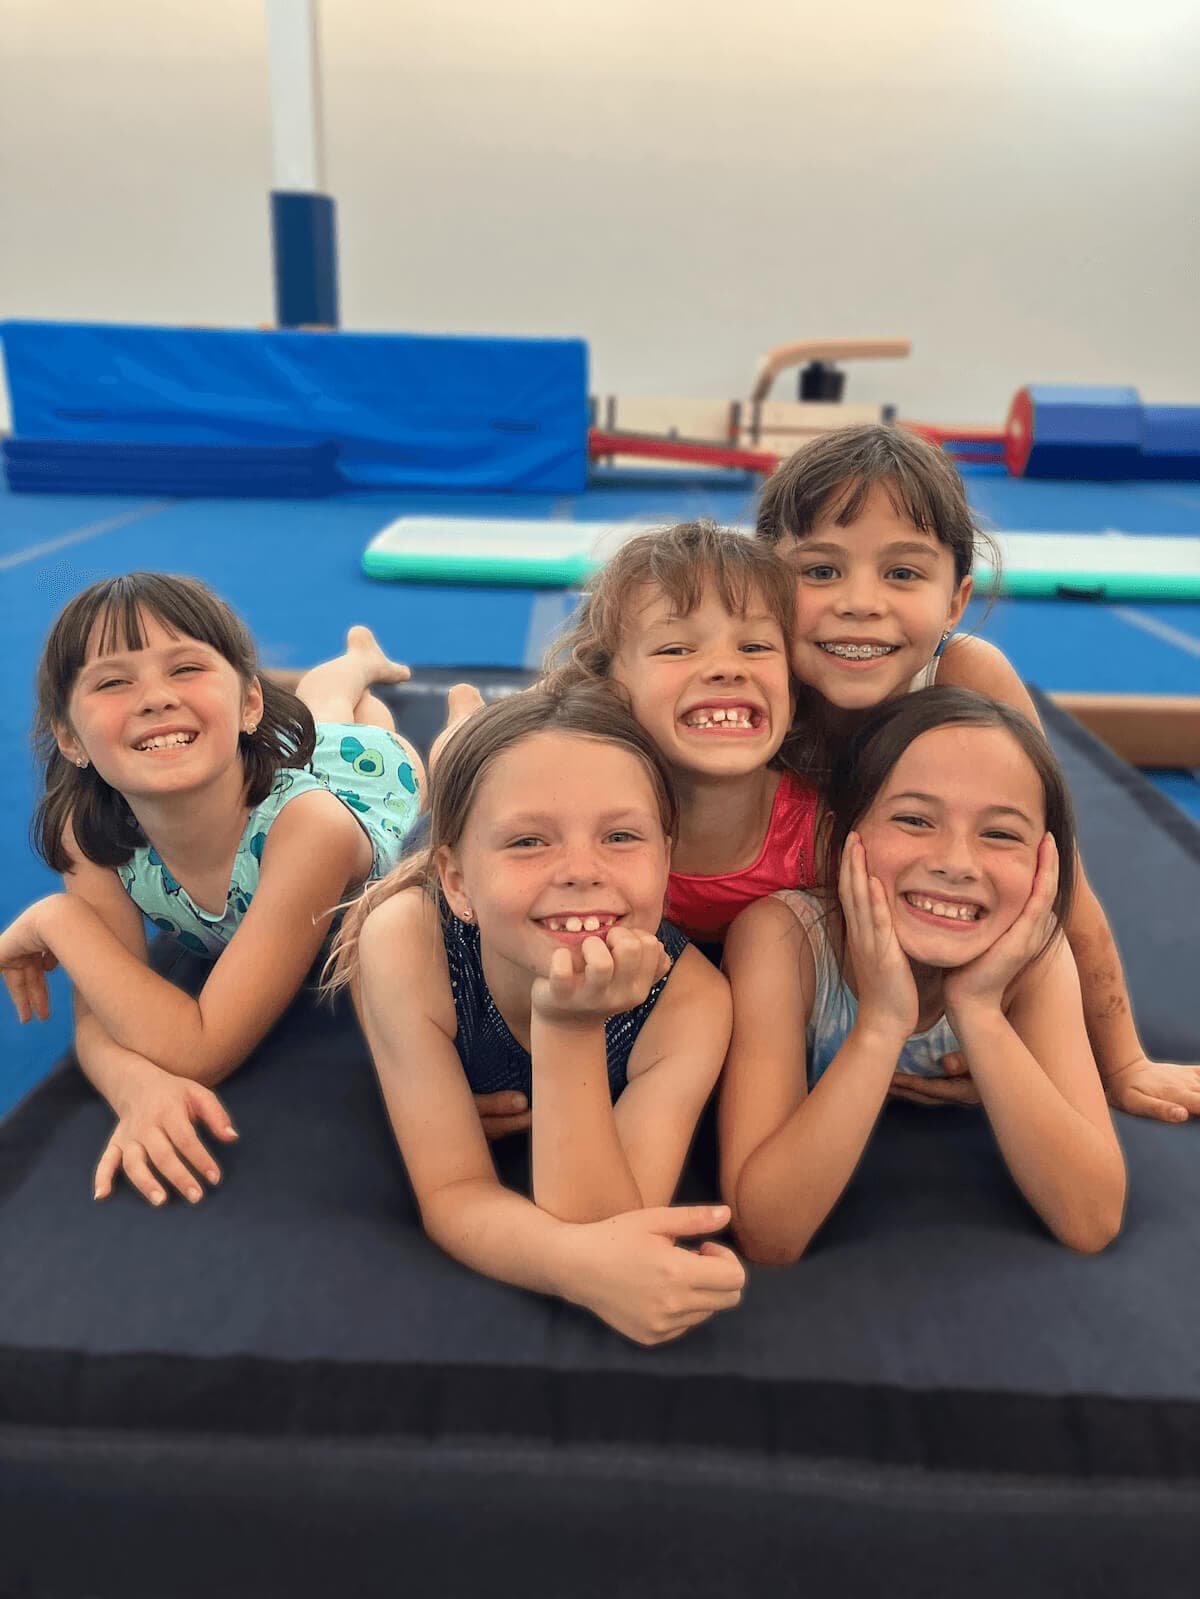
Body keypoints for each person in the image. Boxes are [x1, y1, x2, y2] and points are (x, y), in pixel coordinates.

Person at [757, 423, 1200, 1123]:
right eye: (820, 571)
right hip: (768, 1002)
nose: (859, 601)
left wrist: (1122, 1062)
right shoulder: (741, 690)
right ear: (763, 583)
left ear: (956, 601)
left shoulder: (967, 678)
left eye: (902, 573)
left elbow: (1060, 880)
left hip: (920, 1003)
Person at [0, 572, 445, 1206]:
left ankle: (361, 668)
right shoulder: (91, 829)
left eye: (185, 669)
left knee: (354, 727)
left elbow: (203, 1047)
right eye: (113, 682)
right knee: (315, 720)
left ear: (248, 704)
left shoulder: (310, 831)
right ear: (71, 740)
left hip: (364, 783)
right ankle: (345, 671)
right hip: (262, 762)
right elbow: (102, 1012)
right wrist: (133, 1085)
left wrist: (58, 921)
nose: (155, 698)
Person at [331, 682, 745, 1345]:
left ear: (668, 858)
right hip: (426, 851)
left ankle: (477, 742)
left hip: (481, 858)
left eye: (621, 835)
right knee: (418, 764)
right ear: (458, 882)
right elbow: (455, 1192)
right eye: (529, 841)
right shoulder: (409, 941)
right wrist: (572, 1267)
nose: (582, 870)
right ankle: (443, 714)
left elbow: (607, 1228)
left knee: (486, 771)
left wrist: (566, 1027)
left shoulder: (691, 1001)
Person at [720, 687, 1127, 1262]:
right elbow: (769, 1233)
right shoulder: (785, 942)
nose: (956, 863)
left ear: (1046, 862)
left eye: (1000, 833)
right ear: (838, 837)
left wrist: (979, 1009)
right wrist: (882, 1023)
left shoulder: (1033, 959)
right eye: (914, 820)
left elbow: (1092, 1219)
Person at [546, 521, 818, 948]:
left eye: (755, 647)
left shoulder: (823, 840)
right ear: (609, 690)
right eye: (676, 649)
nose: (726, 668)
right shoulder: (572, 824)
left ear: (793, 692)